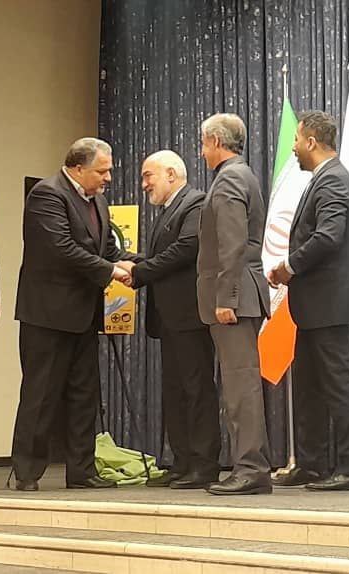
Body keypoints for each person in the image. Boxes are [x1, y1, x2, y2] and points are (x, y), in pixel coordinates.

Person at [10, 137, 131, 492]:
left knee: (84, 394)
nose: (108, 178)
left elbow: (109, 250)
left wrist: (137, 266)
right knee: (41, 394)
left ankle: (82, 470)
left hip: (84, 314)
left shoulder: (98, 201)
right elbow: (61, 249)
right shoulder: (48, 195)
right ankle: (27, 472)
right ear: (77, 168)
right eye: (102, 171)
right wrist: (110, 271)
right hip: (47, 315)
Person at [268, 111, 349, 491]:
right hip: (315, 306)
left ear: (311, 141)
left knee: (340, 385)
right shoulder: (323, 179)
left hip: (331, 304)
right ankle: (311, 464)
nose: (293, 148)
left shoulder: (334, 180)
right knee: (308, 387)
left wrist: (288, 267)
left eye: (297, 140)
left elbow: (328, 236)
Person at [117, 150, 221, 489]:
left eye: (148, 175)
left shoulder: (196, 203)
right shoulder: (168, 210)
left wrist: (139, 271)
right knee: (175, 392)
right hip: (169, 320)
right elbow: (162, 257)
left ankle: (204, 465)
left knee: (196, 390)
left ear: (172, 175)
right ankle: (181, 462)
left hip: (190, 317)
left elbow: (186, 248)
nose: (144, 184)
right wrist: (131, 263)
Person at [196, 113, 273, 495]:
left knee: (241, 387)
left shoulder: (228, 180)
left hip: (235, 298)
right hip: (242, 294)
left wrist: (225, 298)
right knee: (240, 385)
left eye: (203, 143)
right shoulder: (242, 175)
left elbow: (232, 243)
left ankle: (251, 468)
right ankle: (250, 466)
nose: (202, 151)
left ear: (214, 141)